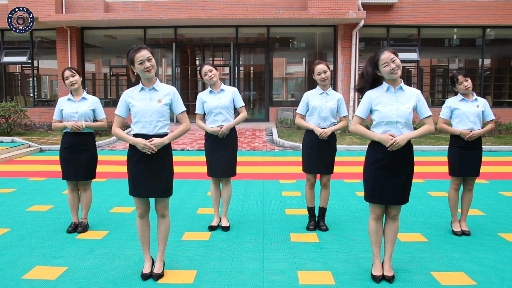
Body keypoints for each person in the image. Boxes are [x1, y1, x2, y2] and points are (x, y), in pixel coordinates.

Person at [349, 48, 435, 284]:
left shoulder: (414, 94)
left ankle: (389, 260)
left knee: (395, 211)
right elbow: (354, 126)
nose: (392, 66)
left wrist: (407, 137)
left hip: (403, 154)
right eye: (385, 64)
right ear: (378, 71)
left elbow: (430, 126)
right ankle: (376, 260)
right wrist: (379, 137)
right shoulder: (372, 95)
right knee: (376, 211)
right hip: (378, 153)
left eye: (394, 60)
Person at [111, 45, 190, 281]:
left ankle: (161, 256)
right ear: (133, 68)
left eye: (150, 59)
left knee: (162, 209)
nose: (148, 65)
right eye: (141, 63)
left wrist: (165, 140)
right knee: (142, 210)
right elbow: (115, 128)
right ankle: (147, 258)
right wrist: (134, 141)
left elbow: (185, 124)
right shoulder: (129, 95)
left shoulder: (169, 91)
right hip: (137, 152)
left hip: (162, 150)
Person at [437, 71, 495, 237]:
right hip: (458, 143)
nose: (465, 84)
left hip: (475, 143)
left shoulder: (482, 102)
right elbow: (441, 125)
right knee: (456, 182)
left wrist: (480, 132)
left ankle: (464, 219)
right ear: (455, 87)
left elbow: (491, 123)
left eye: (467, 80)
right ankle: (454, 219)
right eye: (460, 83)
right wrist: (460, 132)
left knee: (470, 183)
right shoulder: (451, 103)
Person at [52, 67, 107, 234]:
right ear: (65, 83)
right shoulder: (62, 101)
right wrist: (67, 125)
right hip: (68, 143)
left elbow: (104, 124)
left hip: (86, 142)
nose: (71, 79)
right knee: (71, 184)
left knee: (85, 184)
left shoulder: (93, 100)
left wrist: (84, 124)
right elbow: (54, 125)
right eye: (67, 78)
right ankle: (74, 219)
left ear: (80, 77)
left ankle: (84, 219)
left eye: (73, 75)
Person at [294, 60, 348, 232]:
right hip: (311, 138)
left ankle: (322, 219)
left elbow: (345, 121)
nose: (323, 76)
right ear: (314, 77)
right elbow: (298, 119)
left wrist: (330, 129)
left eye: (325, 72)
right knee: (310, 180)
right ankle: (311, 219)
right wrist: (315, 128)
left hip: (329, 139)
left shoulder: (337, 97)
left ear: (330, 72)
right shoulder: (308, 96)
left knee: (325, 180)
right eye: (319, 74)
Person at [195, 63, 247, 232]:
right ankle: (215, 216)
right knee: (214, 177)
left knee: (226, 178)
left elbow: (243, 113)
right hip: (211, 137)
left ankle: (225, 216)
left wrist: (229, 126)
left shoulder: (232, 91)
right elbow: (198, 120)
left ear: (217, 72)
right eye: (205, 74)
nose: (210, 74)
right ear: (202, 79)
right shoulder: (202, 96)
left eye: (211, 71)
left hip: (228, 136)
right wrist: (209, 129)